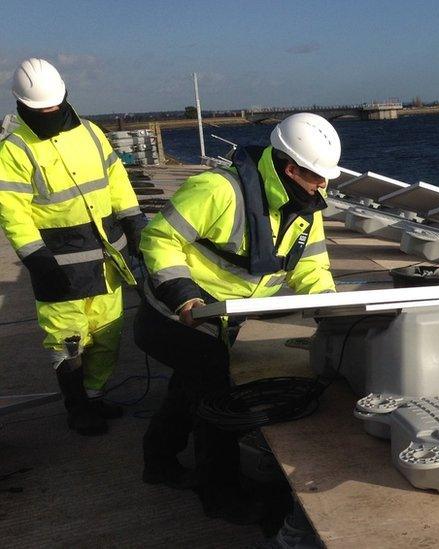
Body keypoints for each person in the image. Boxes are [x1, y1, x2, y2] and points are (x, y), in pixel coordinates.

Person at [136, 112, 339, 523]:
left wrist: (335, 314)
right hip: (176, 315)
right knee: (216, 392)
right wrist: (184, 297)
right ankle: (221, 495)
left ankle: (158, 460)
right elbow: (159, 238)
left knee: (190, 389)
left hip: (227, 320)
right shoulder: (218, 189)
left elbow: (311, 270)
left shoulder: (304, 208)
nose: (323, 186)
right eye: (316, 177)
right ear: (289, 168)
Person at [0, 58, 147, 436]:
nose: (50, 113)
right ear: (21, 104)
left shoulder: (92, 133)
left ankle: (96, 396)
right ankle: (77, 407)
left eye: (53, 105)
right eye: (41, 109)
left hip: (106, 261)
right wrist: (36, 259)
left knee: (108, 335)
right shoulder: (14, 149)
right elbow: (12, 210)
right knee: (67, 342)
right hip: (58, 267)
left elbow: (117, 179)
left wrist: (133, 221)